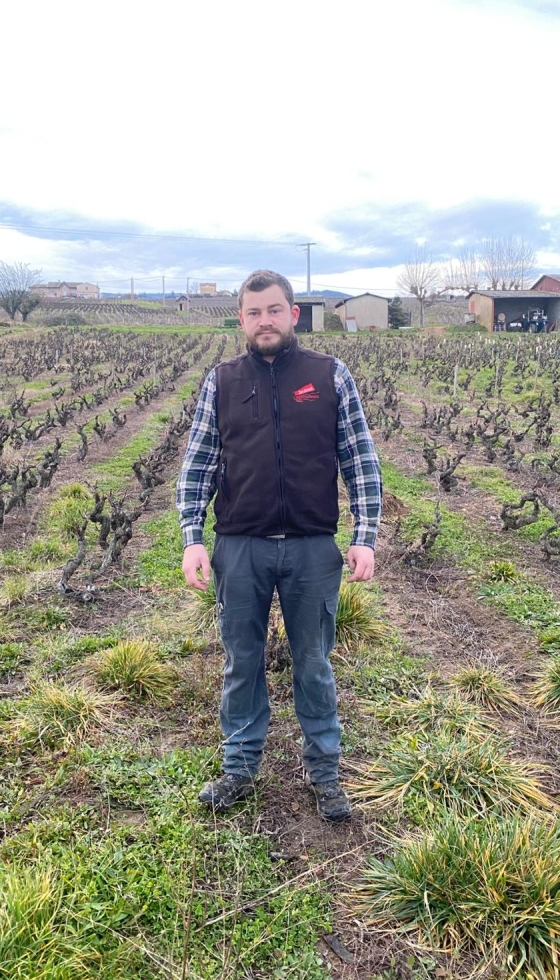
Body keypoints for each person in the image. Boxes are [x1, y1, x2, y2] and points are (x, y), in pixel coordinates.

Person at [177, 270, 382, 821]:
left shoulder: (329, 375)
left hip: (313, 547)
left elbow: (359, 458)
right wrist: (192, 538)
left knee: (313, 662)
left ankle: (325, 771)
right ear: (240, 319)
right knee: (241, 661)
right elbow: (197, 465)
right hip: (239, 546)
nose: (263, 321)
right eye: (252, 312)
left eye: (273, 310)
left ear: (293, 314)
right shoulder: (221, 381)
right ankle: (239, 768)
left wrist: (364, 535)